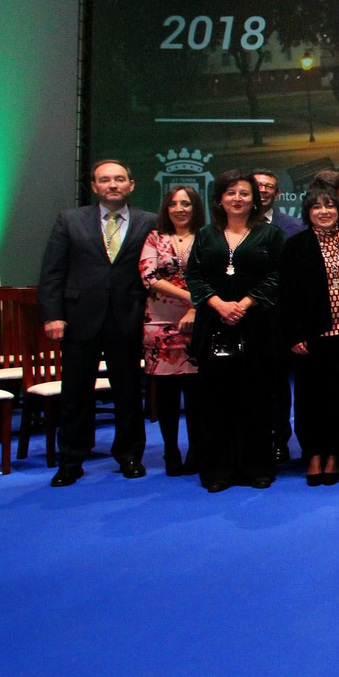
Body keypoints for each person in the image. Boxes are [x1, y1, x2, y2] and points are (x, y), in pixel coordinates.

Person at [38, 159, 157, 486]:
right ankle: (71, 461)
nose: (113, 185)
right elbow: (52, 272)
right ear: (94, 186)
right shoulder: (69, 220)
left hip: (128, 317)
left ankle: (130, 455)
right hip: (78, 319)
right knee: (75, 392)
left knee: (129, 392)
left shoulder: (150, 222)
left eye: (119, 179)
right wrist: (53, 315)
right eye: (105, 180)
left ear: (131, 184)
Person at [185, 169, 285, 492]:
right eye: (231, 193)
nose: (238, 199)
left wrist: (244, 303)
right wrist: (219, 305)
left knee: (256, 399)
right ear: (219, 199)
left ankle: (257, 466)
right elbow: (195, 276)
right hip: (214, 325)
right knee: (215, 402)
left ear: (254, 199)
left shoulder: (269, 235)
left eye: (244, 193)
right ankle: (218, 470)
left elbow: (277, 275)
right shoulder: (205, 235)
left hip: (257, 326)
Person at [280, 184, 339, 486]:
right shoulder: (296, 245)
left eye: (330, 206)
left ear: (338, 210)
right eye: (317, 207)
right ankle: (312, 453)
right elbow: (286, 295)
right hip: (310, 337)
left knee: (337, 399)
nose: (324, 211)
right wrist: (295, 334)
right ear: (308, 212)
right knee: (309, 399)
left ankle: (332, 452)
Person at [139, 185, 202, 477]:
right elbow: (148, 276)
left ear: (195, 207)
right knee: (165, 394)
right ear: (167, 208)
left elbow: (212, 276)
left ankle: (196, 451)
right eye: (174, 203)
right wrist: (188, 297)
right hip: (160, 324)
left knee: (195, 392)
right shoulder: (155, 237)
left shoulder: (206, 237)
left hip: (200, 321)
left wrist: (196, 306)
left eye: (186, 203)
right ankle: (170, 450)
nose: (180, 208)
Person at [253, 168, 305, 237]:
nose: (263, 190)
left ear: (277, 194)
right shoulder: (235, 223)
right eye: (258, 185)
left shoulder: (296, 227)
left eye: (269, 186)